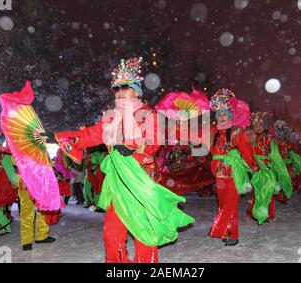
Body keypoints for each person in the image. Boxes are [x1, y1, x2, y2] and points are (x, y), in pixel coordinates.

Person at [46, 57, 194, 263]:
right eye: (117, 88)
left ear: (136, 90)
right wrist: (65, 137)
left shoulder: (147, 114)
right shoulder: (111, 118)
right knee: (111, 231)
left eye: (125, 87)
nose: (120, 92)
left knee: (144, 231)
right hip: (118, 182)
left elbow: (154, 140)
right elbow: (91, 134)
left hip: (140, 180)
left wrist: (132, 149)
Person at [209, 88, 255, 246]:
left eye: (225, 114)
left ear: (230, 115)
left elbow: (247, 151)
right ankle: (225, 230)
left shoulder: (237, 132)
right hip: (218, 174)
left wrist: (253, 166)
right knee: (222, 203)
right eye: (219, 114)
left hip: (234, 172)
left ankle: (231, 233)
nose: (222, 117)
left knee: (231, 204)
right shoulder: (213, 132)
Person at [18, 175, 56, 251]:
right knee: (27, 211)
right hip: (26, 181)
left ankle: (42, 236)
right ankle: (26, 241)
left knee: (43, 209)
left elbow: (48, 165)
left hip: (42, 181)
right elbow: (14, 163)